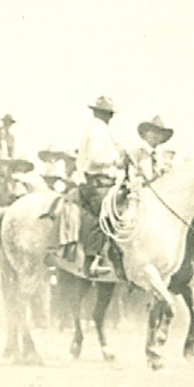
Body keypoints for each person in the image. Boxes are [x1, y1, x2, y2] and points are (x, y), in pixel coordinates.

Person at [58, 95, 123, 276]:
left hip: (103, 181)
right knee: (102, 215)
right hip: (97, 182)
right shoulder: (97, 130)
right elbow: (94, 159)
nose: (108, 117)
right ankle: (91, 260)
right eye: (107, 113)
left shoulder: (99, 130)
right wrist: (116, 160)